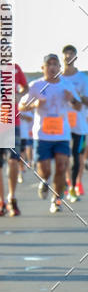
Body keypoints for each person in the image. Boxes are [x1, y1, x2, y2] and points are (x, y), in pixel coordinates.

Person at [19, 54, 75, 213]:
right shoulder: (36, 85)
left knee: (62, 166)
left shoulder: (67, 85)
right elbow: (21, 106)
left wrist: (72, 100)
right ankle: (44, 180)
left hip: (62, 134)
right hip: (42, 135)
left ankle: (57, 199)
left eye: (55, 64)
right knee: (45, 170)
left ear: (59, 67)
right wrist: (34, 104)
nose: (52, 67)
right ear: (43, 68)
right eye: (48, 64)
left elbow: (78, 106)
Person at [0, 63, 28, 217]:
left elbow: (25, 87)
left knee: (13, 160)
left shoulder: (15, 68)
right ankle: (1, 201)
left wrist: (19, 95)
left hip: (12, 122)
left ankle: (12, 197)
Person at [61, 44, 88, 201]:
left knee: (76, 156)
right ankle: (67, 183)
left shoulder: (83, 79)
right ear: (63, 56)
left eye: (71, 53)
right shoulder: (59, 78)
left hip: (79, 124)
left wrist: (77, 97)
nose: (68, 56)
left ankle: (74, 186)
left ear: (75, 57)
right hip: (61, 123)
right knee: (63, 156)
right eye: (66, 53)